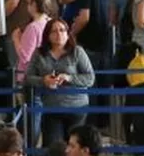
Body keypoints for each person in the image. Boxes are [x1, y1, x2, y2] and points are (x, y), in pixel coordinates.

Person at [25, 18, 95, 146]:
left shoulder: (77, 51)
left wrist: (69, 78)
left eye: (62, 30)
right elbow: (28, 78)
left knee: (75, 147)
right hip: (51, 108)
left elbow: (90, 78)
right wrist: (43, 80)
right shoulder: (39, 53)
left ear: (68, 33)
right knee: (53, 146)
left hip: (77, 107)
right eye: (54, 31)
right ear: (48, 35)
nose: (59, 34)